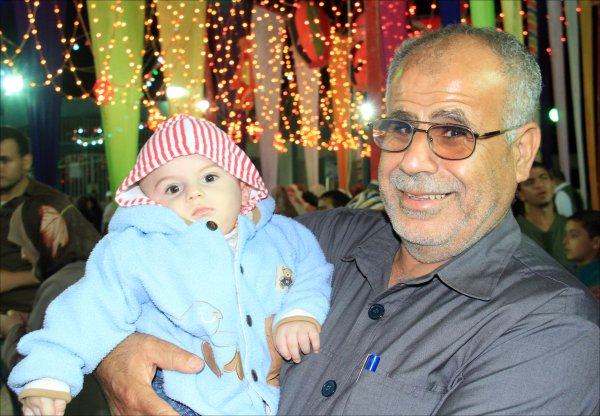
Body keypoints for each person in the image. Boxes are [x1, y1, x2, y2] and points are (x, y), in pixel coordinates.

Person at [95, 25, 599, 415]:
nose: (412, 161)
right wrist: (115, 354)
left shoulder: (550, 329)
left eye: (453, 133)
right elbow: (123, 269)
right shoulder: (324, 239)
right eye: (400, 127)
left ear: (521, 152)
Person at [8, 115, 332, 416]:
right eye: (173, 188)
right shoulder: (139, 250)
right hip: (181, 397)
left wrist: (300, 311)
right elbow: (90, 308)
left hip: (269, 398)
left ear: (243, 186)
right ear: (150, 204)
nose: (194, 193)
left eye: (209, 177)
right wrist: (50, 370)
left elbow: (312, 270)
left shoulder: (281, 235)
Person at [1, 193, 108, 415]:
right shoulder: (96, 267)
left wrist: (12, 329)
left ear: (45, 238)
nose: (23, 254)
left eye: (25, 243)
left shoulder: (60, 285)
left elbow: (33, 368)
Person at [0, 126, 73, 318]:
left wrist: (13, 279)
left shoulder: (49, 203)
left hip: (30, 314)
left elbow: (75, 265)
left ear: (26, 161)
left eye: (5, 160)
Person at [516, 161, 570, 268]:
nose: (539, 185)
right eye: (530, 182)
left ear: (553, 184)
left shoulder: (569, 227)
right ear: (520, 194)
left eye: (543, 178)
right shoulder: (515, 232)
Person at [564, 210, 600, 301]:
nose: (564, 241)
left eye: (573, 235)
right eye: (566, 235)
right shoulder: (566, 270)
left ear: (596, 242)